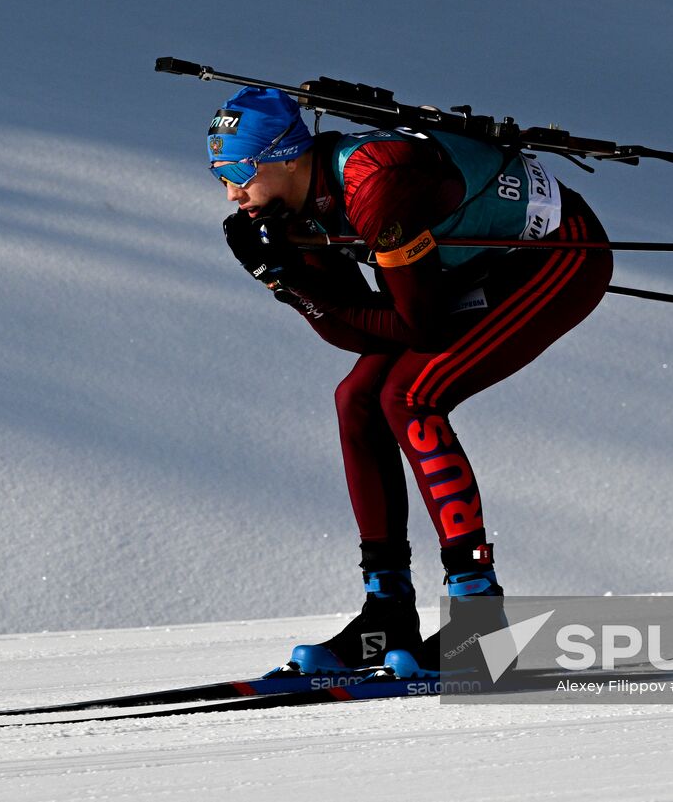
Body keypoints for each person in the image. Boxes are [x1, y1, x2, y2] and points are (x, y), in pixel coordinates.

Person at [209, 86, 613, 676]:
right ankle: (388, 611)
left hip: (559, 256)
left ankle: (481, 621)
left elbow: (414, 326)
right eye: (219, 174)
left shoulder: (375, 187)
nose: (231, 191)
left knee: (411, 396)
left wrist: (298, 280)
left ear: (289, 155)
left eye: (240, 170)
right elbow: (361, 333)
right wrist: (287, 278)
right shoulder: (287, 208)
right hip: (473, 267)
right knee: (358, 400)